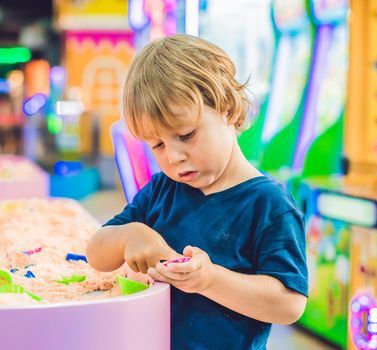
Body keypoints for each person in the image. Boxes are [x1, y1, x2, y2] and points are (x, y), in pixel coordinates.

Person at [86, 34, 308, 349]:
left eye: (186, 135)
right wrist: (129, 235)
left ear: (228, 109)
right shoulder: (164, 188)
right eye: (158, 145)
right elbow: (96, 253)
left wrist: (209, 280)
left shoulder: (268, 204)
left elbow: (289, 304)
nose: (173, 157)